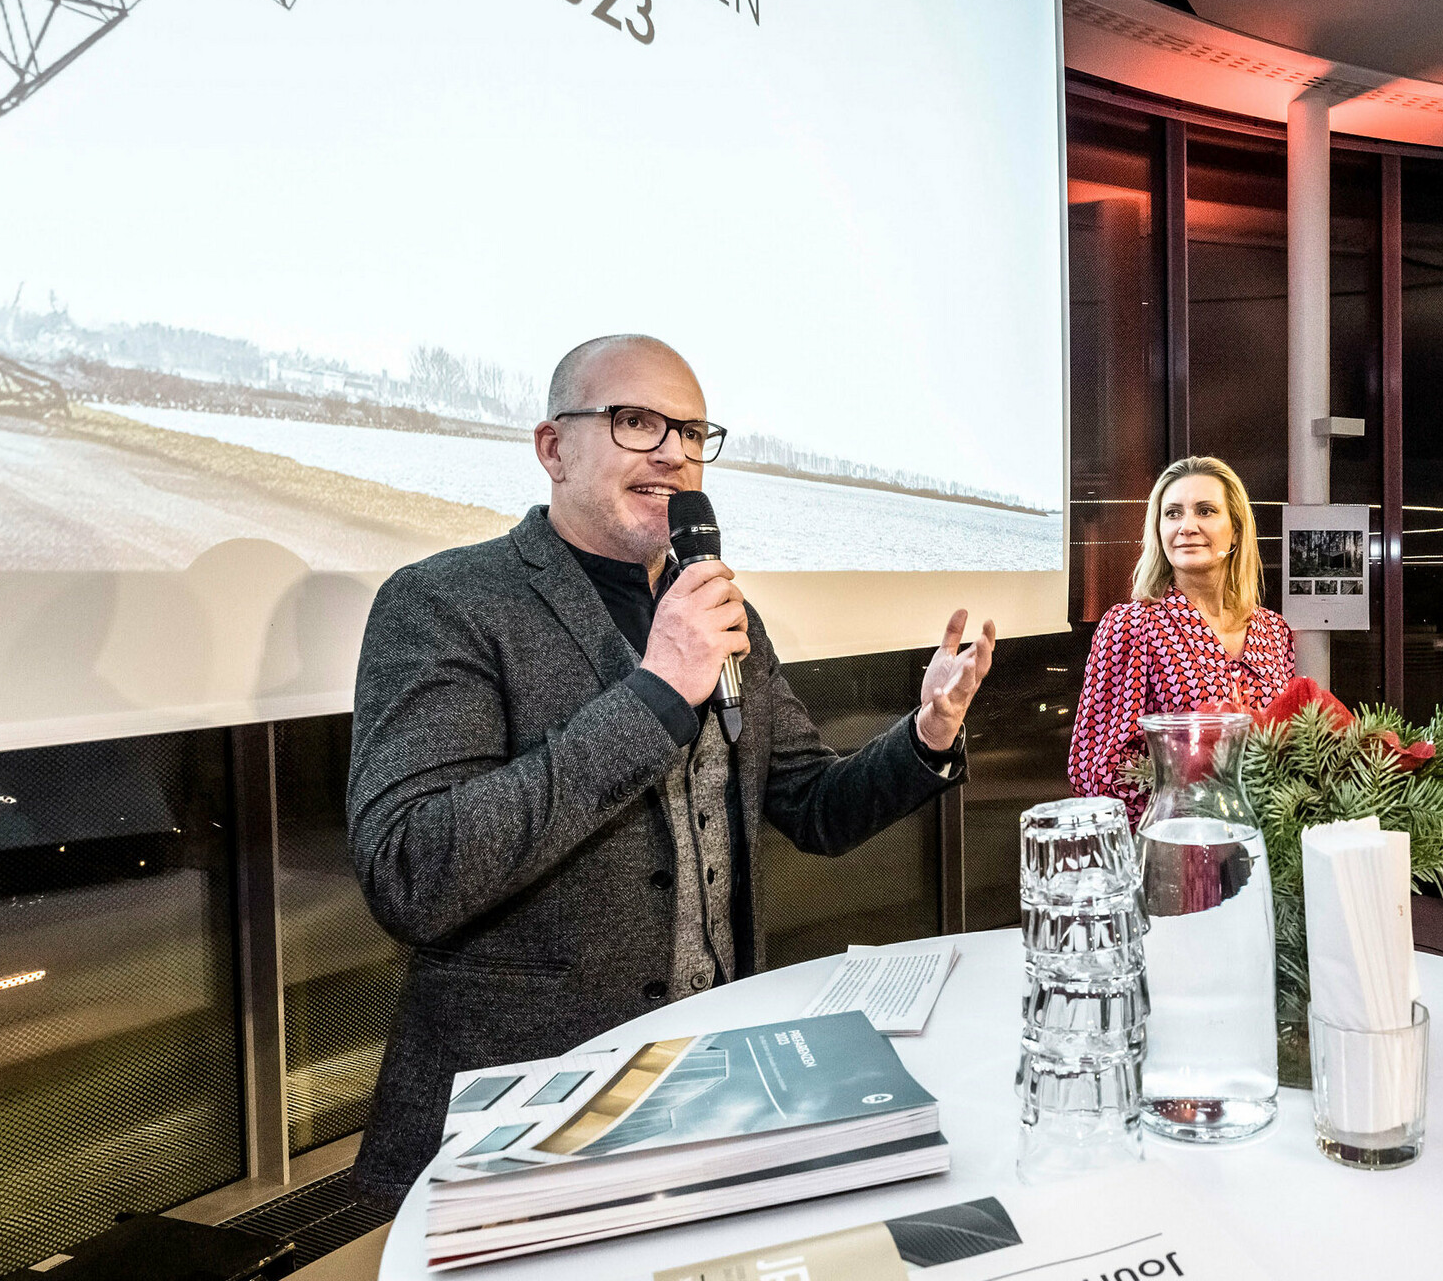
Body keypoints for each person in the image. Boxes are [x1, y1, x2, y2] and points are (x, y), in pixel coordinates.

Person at [341, 335, 996, 1202]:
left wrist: (926, 733)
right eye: (636, 422)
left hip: (716, 1080)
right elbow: (412, 870)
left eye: (691, 431)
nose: (675, 454)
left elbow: (811, 806)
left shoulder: (721, 612)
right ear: (553, 448)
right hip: (529, 1107)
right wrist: (655, 694)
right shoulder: (444, 602)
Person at [1068, 456, 1297, 830]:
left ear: (1236, 530)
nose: (1187, 526)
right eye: (1172, 514)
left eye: (1205, 511)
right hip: (1172, 851)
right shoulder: (1132, 626)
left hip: (1269, 847)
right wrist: (1194, 815)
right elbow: (1096, 772)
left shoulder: (1274, 631)